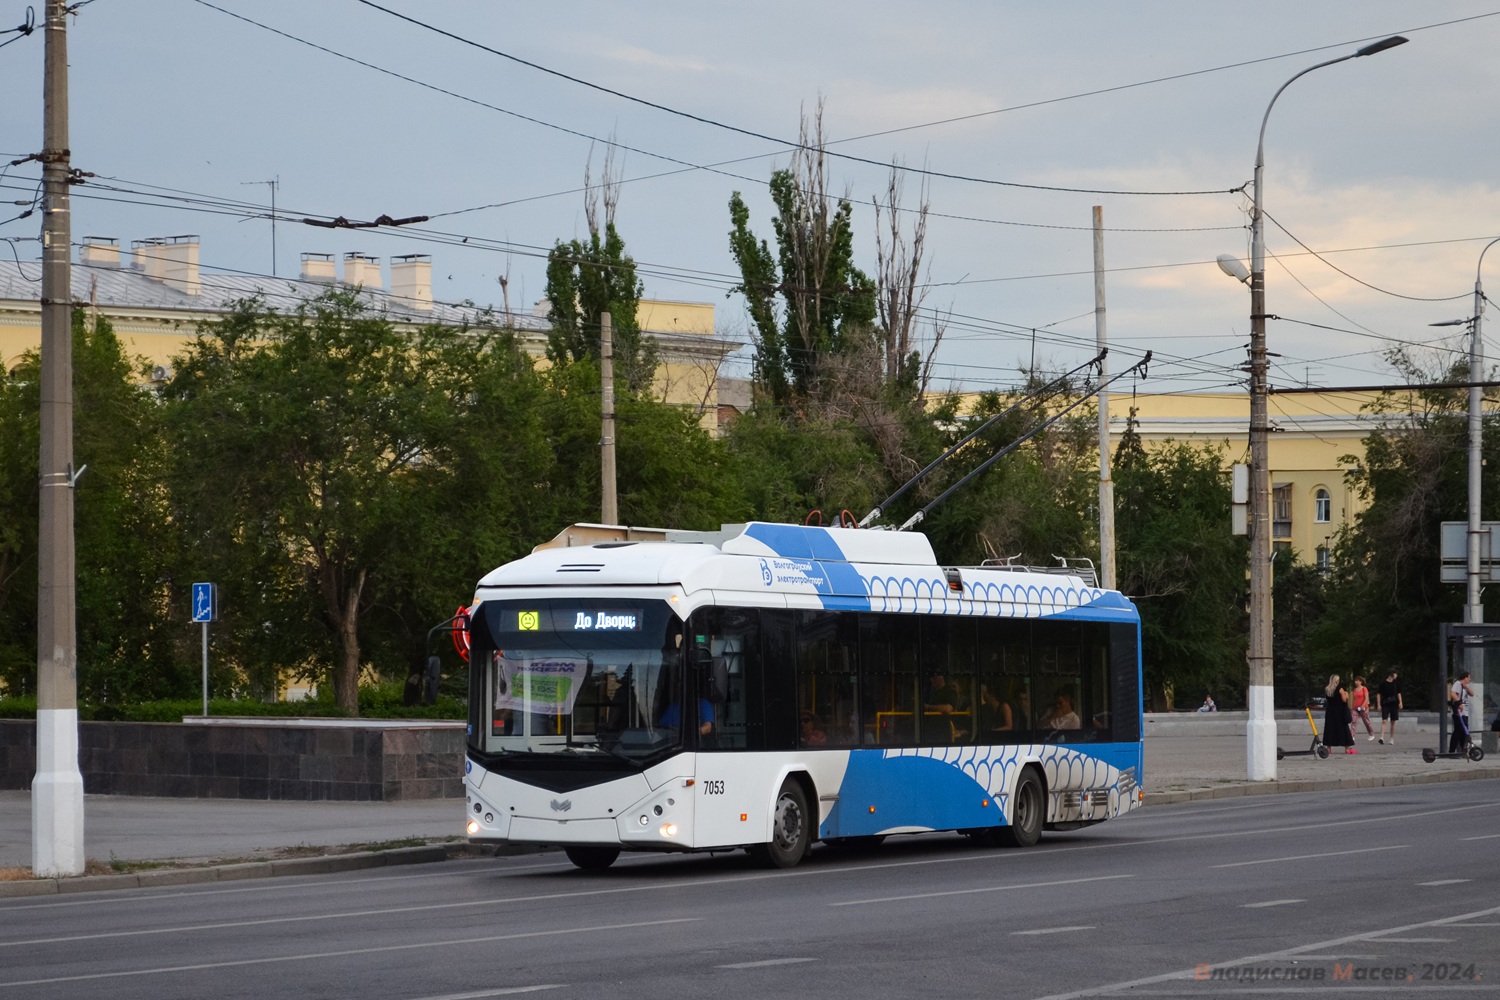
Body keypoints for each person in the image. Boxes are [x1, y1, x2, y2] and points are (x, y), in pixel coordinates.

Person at [1322, 674, 1356, 754]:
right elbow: (1344, 700)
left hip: (1330, 711)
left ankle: (1329, 748)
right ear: (1337, 681)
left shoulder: (1327, 689)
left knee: (1329, 729)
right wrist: (1346, 695)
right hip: (1339, 711)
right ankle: (1347, 748)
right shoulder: (1340, 689)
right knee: (1343, 729)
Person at [1448, 670, 1475, 754]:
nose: (1470, 679)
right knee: (1458, 730)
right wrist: (1459, 703)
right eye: (1469, 677)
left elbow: (1472, 694)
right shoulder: (1457, 684)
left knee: (1464, 731)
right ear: (1465, 678)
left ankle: (1463, 750)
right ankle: (1452, 750)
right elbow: (1453, 694)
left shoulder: (1464, 686)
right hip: (1459, 711)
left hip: (1465, 712)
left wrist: (1466, 687)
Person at [1376, 669, 1403, 745]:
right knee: (1384, 720)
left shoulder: (1396, 683)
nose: (1396, 676)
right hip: (1385, 703)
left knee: (1393, 721)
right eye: (1395, 674)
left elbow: (1399, 693)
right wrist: (1378, 704)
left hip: (1394, 704)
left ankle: (1391, 738)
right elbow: (1378, 694)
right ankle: (1381, 737)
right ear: (1391, 674)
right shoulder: (1383, 683)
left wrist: (1400, 702)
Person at [1350, 676, 1375, 741]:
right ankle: (1352, 735)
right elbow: (1353, 699)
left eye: (1357, 681)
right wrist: (1352, 706)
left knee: (1366, 721)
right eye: (1355, 681)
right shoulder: (1354, 690)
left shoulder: (1364, 689)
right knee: (1353, 721)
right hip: (1355, 708)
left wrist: (1363, 706)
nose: (1356, 682)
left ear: (1361, 682)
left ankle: (1371, 734)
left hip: (1363, 708)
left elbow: (1366, 698)